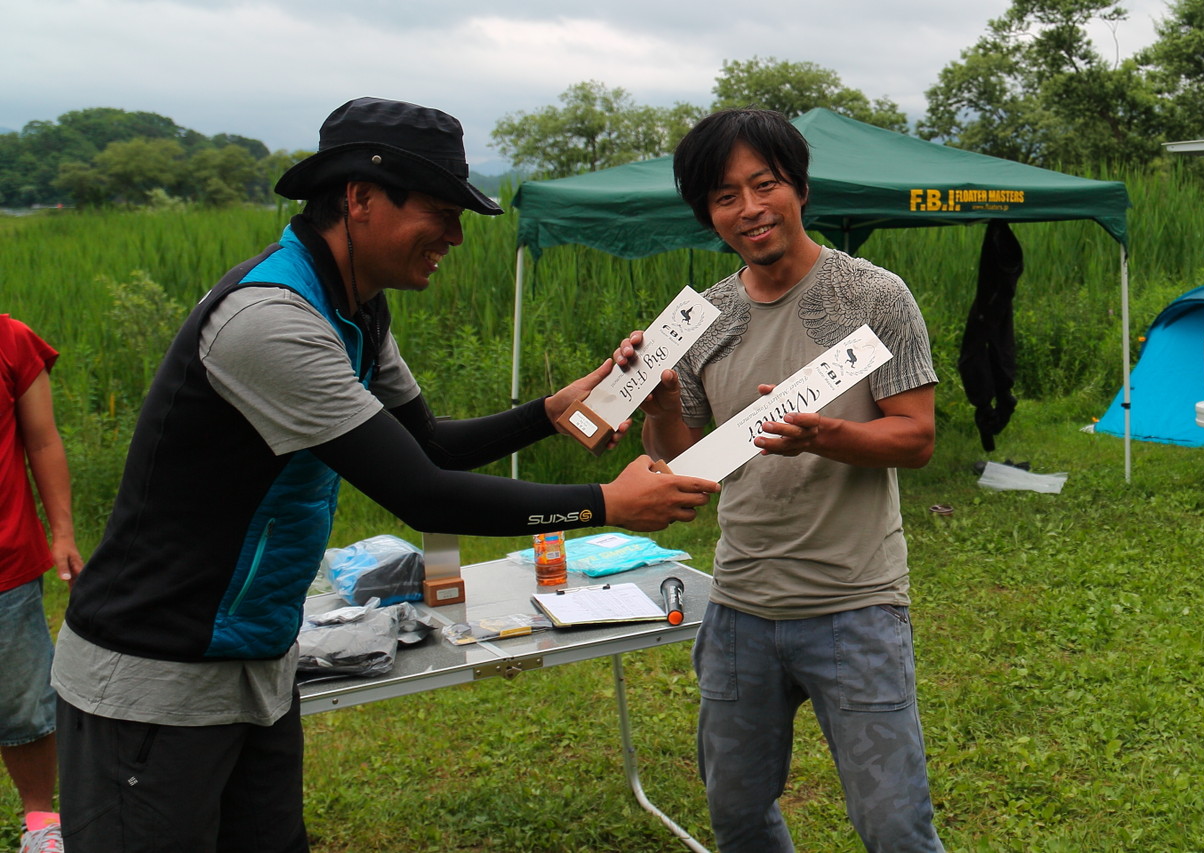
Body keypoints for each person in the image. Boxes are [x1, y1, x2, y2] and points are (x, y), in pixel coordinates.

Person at [50, 97, 718, 852]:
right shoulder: (271, 320)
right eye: (441, 212)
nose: (455, 237)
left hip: (255, 656)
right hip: (156, 669)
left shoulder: (356, 310)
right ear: (360, 198)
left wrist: (548, 411)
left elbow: (425, 446)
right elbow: (419, 493)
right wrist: (605, 504)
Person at [618, 108, 945, 852]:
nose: (749, 208)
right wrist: (660, 405)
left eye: (764, 184)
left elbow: (917, 437)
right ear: (708, 213)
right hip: (740, 605)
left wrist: (823, 434)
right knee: (736, 815)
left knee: (894, 826)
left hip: (854, 603)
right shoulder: (704, 318)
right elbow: (682, 464)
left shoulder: (874, 296)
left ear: (798, 186)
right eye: (725, 196)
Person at [1, 314, 83, 853]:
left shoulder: (10, 340)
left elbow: (43, 441)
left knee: (25, 705)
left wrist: (63, 533)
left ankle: (40, 823)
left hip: (6, 564)